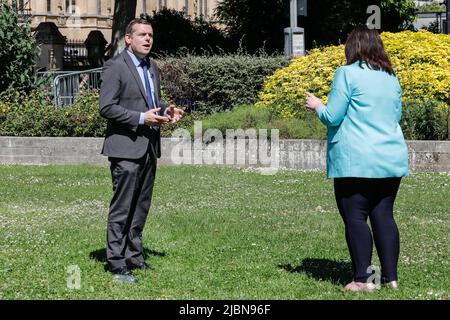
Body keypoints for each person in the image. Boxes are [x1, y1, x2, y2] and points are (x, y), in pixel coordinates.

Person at [305, 26, 408, 292]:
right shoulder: (390, 76)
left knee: (355, 217)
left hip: (356, 161)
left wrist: (317, 105)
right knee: (384, 215)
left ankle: (363, 280)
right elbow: (395, 117)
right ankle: (390, 279)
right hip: (390, 157)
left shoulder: (347, 74)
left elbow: (333, 116)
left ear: (353, 47)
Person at [99, 18, 184, 283]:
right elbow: (107, 107)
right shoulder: (116, 66)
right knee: (123, 208)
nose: (148, 39)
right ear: (128, 38)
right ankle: (116, 263)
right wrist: (140, 118)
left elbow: (152, 103)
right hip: (125, 149)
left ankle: (134, 256)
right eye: (142, 35)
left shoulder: (152, 67)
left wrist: (167, 110)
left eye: (150, 35)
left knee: (140, 207)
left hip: (149, 148)